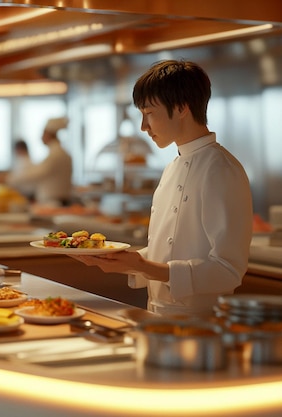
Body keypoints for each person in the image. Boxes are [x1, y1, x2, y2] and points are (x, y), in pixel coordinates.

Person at [69, 60, 253, 317]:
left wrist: (144, 265)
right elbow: (167, 252)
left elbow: (228, 270)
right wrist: (120, 261)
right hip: (157, 315)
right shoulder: (172, 167)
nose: (144, 127)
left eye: (149, 113)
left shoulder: (221, 169)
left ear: (180, 108)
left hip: (200, 324)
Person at [7, 117, 72, 206]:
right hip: (54, 201)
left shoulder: (56, 154)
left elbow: (37, 173)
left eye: (43, 133)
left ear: (50, 134)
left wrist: (9, 179)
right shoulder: (61, 153)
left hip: (53, 203)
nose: (41, 136)